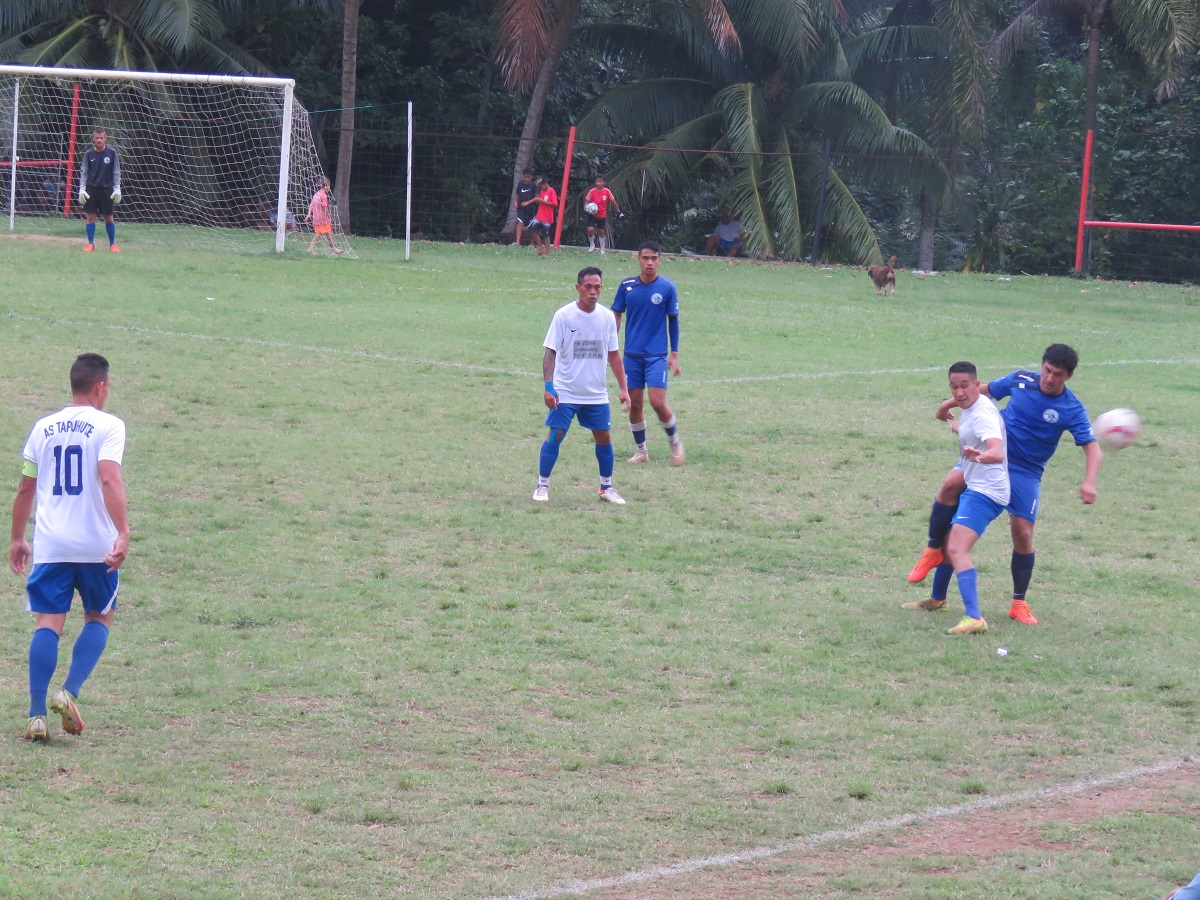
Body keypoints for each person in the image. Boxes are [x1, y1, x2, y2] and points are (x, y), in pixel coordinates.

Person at [905, 344, 1101, 626]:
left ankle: (1018, 602)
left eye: (1057, 374)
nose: (1048, 378)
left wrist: (1089, 482)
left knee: (1022, 533)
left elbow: (1092, 448)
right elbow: (980, 390)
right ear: (1041, 365)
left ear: (1068, 377)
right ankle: (935, 574)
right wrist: (947, 405)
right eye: (1046, 370)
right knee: (952, 488)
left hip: (1026, 471)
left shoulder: (1072, 408)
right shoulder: (1021, 380)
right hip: (992, 454)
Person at [10, 353, 129, 742]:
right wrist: (123, 531)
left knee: (48, 623)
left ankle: (36, 716)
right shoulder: (109, 426)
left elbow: (26, 486)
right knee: (99, 617)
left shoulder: (42, 428)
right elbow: (109, 480)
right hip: (96, 544)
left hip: (52, 543)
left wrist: (16, 538)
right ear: (100, 387)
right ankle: (69, 692)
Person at [916, 361, 1009, 635]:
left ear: (977, 385)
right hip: (976, 485)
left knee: (956, 548)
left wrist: (979, 456)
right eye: (954, 387)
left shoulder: (983, 417)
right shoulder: (971, 407)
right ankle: (937, 600)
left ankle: (974, 617)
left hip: (987, 491)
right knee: (949, 540)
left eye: (965, 386)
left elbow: (998, 451)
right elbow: (963, 421)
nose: (959, 393)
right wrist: (947, 411)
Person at [534, 266, 631, 505]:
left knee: (604, 437)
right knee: (556, 435)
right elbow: (550, 354)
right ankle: (542, 485)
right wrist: (549, 386)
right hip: (566, 391)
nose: (593, 292)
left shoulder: (607, 317)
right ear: (578, 288)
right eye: (588, 287)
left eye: (597, 287)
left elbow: (614, 355)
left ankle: (606, 488)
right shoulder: (564, 316)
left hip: (596, 393)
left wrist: (624, 388)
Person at [612, 240, 685, 466]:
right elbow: (616, 314)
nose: (650, 263)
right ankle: (641, 451)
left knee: (657, 402)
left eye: (654, 258)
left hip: (656, 356)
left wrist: (674, 354)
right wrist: (611, 337)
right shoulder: (627, 286)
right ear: (638, 259)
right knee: (635, 406)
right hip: (631, 356)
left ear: (660, 260)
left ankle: (674, 440)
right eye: (646, 258)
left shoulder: (667, 288)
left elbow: (673, 322)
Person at [78, 128, 121, 253]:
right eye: (97, 138)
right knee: (90, 217)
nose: (99, 140)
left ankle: (112, 245)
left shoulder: (112, 153)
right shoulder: (88, 154)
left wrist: (117, 188)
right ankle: (90, 244)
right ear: (93, 139)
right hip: (91, 189)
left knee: (108, 217)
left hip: (107, 189)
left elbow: (116, 171)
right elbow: (84, 172)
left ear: (105, 139)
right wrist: (82, 188)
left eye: (101, 138)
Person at [584, 175, 622, 255]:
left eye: (600, 181)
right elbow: (587, 201)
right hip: (592, 214)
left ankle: (602, 249)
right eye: (597, 181)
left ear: (604, 182)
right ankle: (592, 245)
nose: (598, 183)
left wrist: (618, 211)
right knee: (590, 229)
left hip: (602, 215)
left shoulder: (607, 192)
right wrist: (586, 208)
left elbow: (613, 201)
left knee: (601, 231)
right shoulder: (592, 191)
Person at [306, 178, 343, 255]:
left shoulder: (316, 195)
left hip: (316, 218)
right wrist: (329, 215)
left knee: (328, 234)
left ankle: (334, 249)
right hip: (323, 219)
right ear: (326, 186)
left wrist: (309, 214)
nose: (329, 188)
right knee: (319, 234)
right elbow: (325, 208)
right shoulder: (324, 196)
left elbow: (311, 205)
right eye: (329, 186)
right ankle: (310, 249)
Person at [528, 177, 558, 257]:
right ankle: (540, 248)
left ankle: (547, 253)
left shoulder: (551, 191)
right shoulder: (542, 191)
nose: (540, 188)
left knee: (546, 235)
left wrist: (543, 202)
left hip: (547, 217)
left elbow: (555, 204)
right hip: (539, 216)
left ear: (545, 184)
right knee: (534, 230)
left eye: (541, 186)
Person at [513, 168, 538, 248]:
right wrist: (515, 202)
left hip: (531, 208)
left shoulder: (534, 185)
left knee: (532, 225)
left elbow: (537, 197)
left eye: (528, 177)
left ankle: (532, 243)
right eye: (525, 177)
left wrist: (528, 202)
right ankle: (517, 242)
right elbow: (517, 194)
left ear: (531, 177)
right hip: (521, 208)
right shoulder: (520, 184)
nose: (526, 179)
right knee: (520, 223)